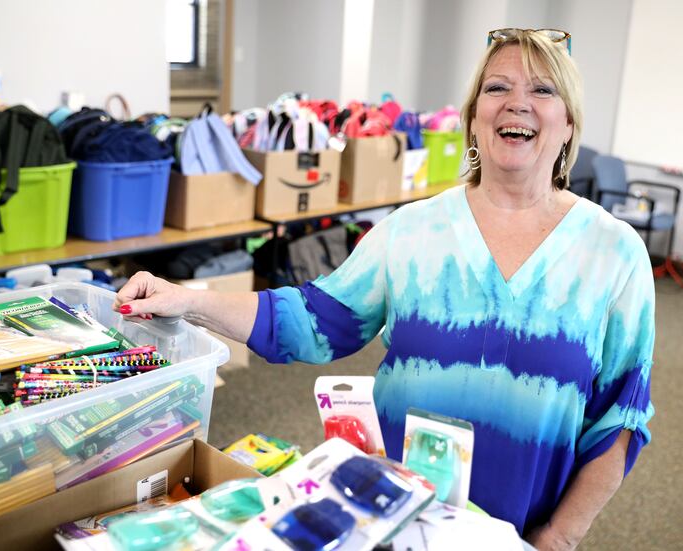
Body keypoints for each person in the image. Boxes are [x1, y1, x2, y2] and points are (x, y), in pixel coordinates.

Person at [114, 29, 654, 550]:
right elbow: (313, 320)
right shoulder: (412, 230)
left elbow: (620, 421)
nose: (517, 103)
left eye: (543, 90)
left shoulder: (614, 254)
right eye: (497, 87)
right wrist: (189, 299)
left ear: (568, 124)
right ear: (472, 119)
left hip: (520, 535)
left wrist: (559, 539)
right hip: (394, 521)